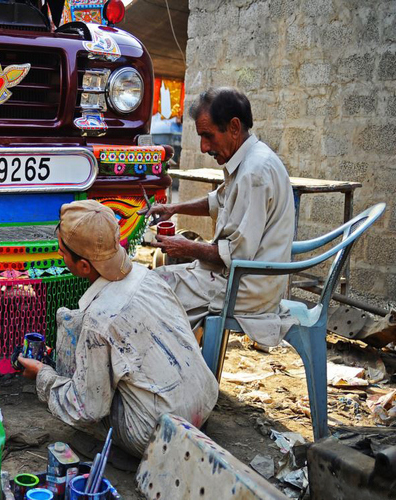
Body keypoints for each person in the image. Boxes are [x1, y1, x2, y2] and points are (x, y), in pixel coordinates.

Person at [18, 200, 218, 457]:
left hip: (156, 434)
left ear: (84, 266)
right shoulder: (147, 276)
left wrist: (43, 376)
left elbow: (88, 409)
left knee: (83, 398)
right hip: (203, 402)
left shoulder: (99, 319)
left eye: (63, 253)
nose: (60, 256)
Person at [147, 87, 295, 347]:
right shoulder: (250, 160)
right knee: (159, 283)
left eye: (208, 136)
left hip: (247, 289)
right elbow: (218, 201)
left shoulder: (255, 172)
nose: (204, 147)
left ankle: (171, 370)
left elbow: (236, 255)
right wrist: (174, 209)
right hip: (242, 278)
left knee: (151, 290)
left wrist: (185, 247)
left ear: (234, 127)